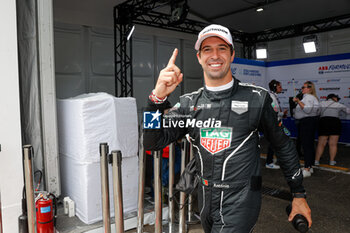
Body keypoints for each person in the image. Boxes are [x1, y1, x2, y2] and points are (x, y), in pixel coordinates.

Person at [143, 24, 311, 233]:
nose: (215, 55)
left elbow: (283, 145)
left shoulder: (256, 98)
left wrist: (298, 194)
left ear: (232, 55)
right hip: (204, 197)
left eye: (222, 48)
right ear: (199, 57)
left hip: (242, 199)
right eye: (207, 49)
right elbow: (152, 142)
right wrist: (155, 100)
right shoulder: (188, 103)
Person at [293, 81, 320, 178]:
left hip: (307, 122)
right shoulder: (311, 97)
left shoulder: (308, 97)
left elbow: (307, 109)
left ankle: (307, 168)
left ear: (309, 88)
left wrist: (298, 101)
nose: (302, 89)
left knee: (306, 145)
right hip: (310, 122)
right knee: (309, 144)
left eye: (303, 87)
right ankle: (310, 166)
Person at [315, 94, 350, 166]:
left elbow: (316, 112)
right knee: (333, 144)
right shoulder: (338, 105)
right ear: (333, 98)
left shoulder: (321, 103)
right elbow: (348, 111)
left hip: (323, 121)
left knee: (321, 143)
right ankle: (332, 161)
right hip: (335, 122)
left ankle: (316, 160)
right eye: (337, 98)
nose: (338, 100)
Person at [265, 79, 288, 169]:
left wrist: (282, 115)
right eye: (279, 86)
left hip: (275, 122)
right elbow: (274, 111)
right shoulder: (272, 97)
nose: (281, 88)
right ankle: (269, 162)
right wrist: (283, 114)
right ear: (275, 87)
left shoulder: (274, 96)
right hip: (273, 123)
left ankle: (271, 159)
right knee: (274, 143)